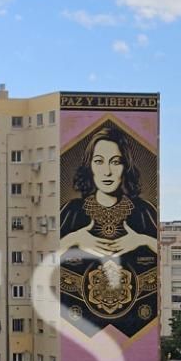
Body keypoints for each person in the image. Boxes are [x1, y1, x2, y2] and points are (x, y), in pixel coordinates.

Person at [58, 126, 160, 337]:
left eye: (115, 162)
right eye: (99, 161)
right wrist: (74, 238)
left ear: (126, 167)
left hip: (134, 325)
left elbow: (166, 256)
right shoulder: (72, 211)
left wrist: (141, 240)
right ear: (90, 167)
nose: (107, 171)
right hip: (77, 323)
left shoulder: (143, 211)